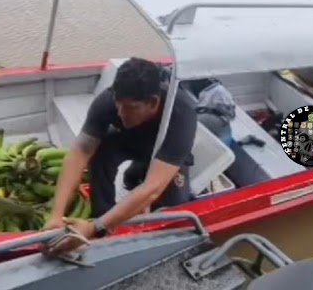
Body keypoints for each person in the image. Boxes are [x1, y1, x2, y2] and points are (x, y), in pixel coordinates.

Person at [42, 57, 197, 254]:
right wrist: (56, 215)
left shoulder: (181, 113)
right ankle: (104, 216)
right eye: (118, 104)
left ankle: (102, 222)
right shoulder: (108, 102)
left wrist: (92, 228)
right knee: (98, 153)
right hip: (130, 139)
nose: (122, 113)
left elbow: (152, 189)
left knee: (175, 210)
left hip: (164, 155)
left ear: (153, 103)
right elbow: (79, 153)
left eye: (131, 107)